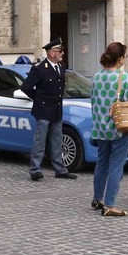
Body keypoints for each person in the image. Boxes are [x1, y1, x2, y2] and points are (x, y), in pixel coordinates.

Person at [89, 42, 128, 217]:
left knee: (102, 163)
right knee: (116, 167)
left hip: (100, 128)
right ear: (120, 59)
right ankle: (110, 204)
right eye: (125, 56)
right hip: (119, 128)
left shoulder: (96, 76)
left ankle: (97, 199)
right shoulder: (125, 78)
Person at [20, 38, 78, 181]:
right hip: (43, 110)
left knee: (57, 140)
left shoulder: (61, 67)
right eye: (60, 51)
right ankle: (35, 169)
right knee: (40, 140)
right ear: (52, 53)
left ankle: (60, 169)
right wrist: (38, 99)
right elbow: (26, 87)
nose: (62, 54)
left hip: (56, 109)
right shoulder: (39, 69)